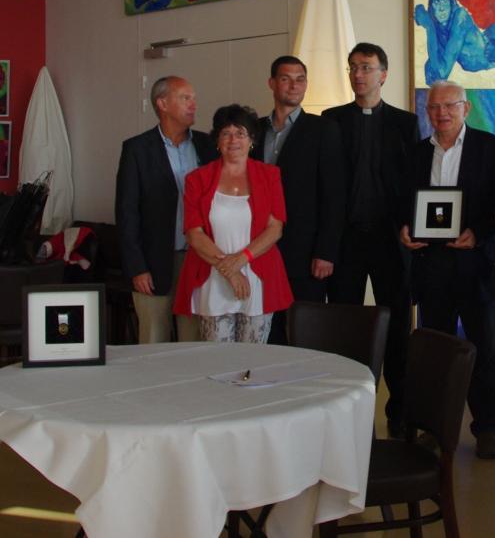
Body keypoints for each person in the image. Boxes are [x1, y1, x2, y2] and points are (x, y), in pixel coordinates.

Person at [401, 80, 495, 459]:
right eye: (434, 108)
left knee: (483, 349)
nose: (441, 114)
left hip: (476, 264)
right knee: (436, 352)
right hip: (432, 266)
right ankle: (435, 427)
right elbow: (404, 202)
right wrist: (404, 228)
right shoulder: (415, 153)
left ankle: (486, 429)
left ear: (465, 109)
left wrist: (477, 234)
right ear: (426, 111)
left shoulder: (492, 149)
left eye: (449, 106)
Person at [323, 43, 419, 439]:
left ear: (384, 74)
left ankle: (400, 414)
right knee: (345, 327)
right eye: (352, 68)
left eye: (366, 67)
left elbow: (413, 183)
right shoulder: (330, 120)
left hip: (389, 241)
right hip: (346, 242)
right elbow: (326, 186)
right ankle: (346, 411)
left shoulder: (405, 122)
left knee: (397, 328)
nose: (358, 74)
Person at [173, 104, 293, 343]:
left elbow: (275, 228)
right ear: (217, 140)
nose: (233, 140)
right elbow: (194, 234)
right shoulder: (197, 179)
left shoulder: (270, 176)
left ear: (251, 140)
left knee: (252, 359)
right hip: (213, 277)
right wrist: (230, 271)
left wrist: (240, 261)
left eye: (240, 133)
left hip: (258, 277)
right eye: (226, 133)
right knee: (218, 360)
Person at [116, 76, 218, 343]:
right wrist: (136, 267)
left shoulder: (207, 146)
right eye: (186, 98)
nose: (194, 104)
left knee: (194, 338)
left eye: (194, 98)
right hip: (153, 260)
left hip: (198, 259)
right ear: (162, 103)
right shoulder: (137, 149)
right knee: (153, 339)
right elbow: (127, 213)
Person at [252, 55, 344, 345]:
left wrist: (326, 251)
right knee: (267, 334)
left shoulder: (323, 129)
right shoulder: (252, 130)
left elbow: (334, 194)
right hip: (257, 251)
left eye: (300, 79)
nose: (294, 85)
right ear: (271, 83)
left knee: (306, 336)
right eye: (285, 78)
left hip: (305, 254)